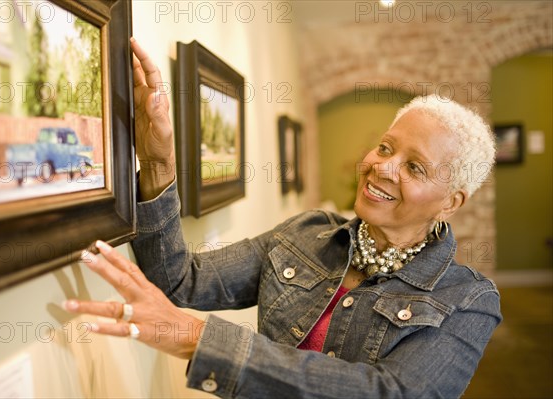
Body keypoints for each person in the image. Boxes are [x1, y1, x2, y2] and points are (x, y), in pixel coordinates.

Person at [63, 38, 502, 398]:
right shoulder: (305, 234)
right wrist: (157, 162)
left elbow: (390, 393)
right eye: (386, 148)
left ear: (451, 202)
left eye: (415, 167)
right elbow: (180, 279)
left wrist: (199, 338)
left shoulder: (467, 299)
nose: (382, 167)